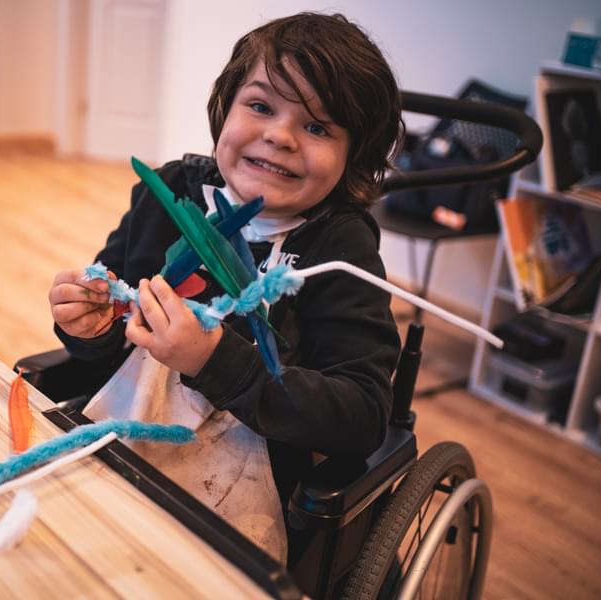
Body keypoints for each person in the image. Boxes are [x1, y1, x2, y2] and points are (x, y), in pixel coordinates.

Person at [47, 12, 403, 563]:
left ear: (352, 157)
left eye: (318, 127)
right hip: (119, 456)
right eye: (261, 106)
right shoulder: (168, 195)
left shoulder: (341, 251)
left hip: (244, 508)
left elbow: (361, 415)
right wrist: (86, 327)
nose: (280, 136)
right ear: (225, 108)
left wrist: (216, 361)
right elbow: (104, 347)